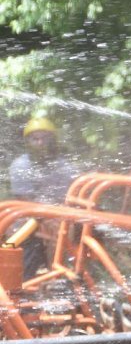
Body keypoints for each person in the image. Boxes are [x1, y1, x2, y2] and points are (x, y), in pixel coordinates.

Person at [6, 117, 80, 277]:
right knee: (48, 231)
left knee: (70, 228)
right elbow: (25, 201)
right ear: (28, 142)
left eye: (45, 138)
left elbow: (71, 197)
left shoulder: (64, 166)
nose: (40, 143)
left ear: (53, 140)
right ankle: (36, 277)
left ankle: (62, 275)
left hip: (56, 215)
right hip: (27, 216)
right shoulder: (20, 166)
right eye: (35, 139)